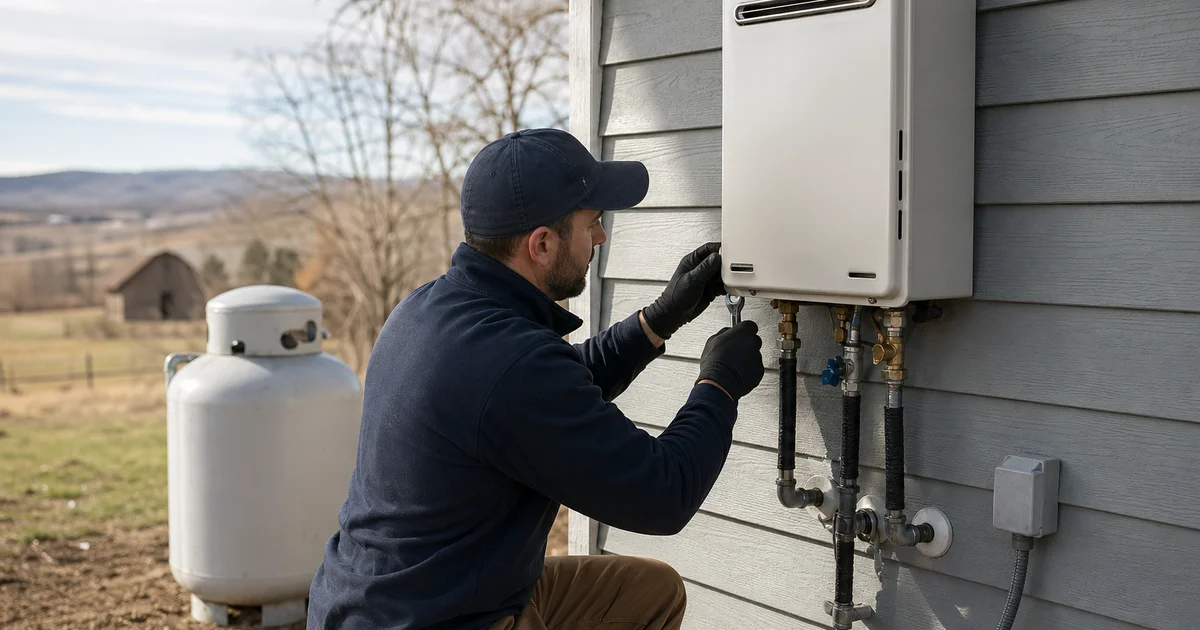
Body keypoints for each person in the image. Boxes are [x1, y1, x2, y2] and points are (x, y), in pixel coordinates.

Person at [307, 128, 765, 629]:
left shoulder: (430, 310)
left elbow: (547, 399)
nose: (600, 237)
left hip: (408, 596)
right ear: (542, 244)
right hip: (439, 619)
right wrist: (719, 385)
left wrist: (657, 320)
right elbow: (662, 495)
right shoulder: (509, 360)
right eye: (591, 223)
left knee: (650, 594)